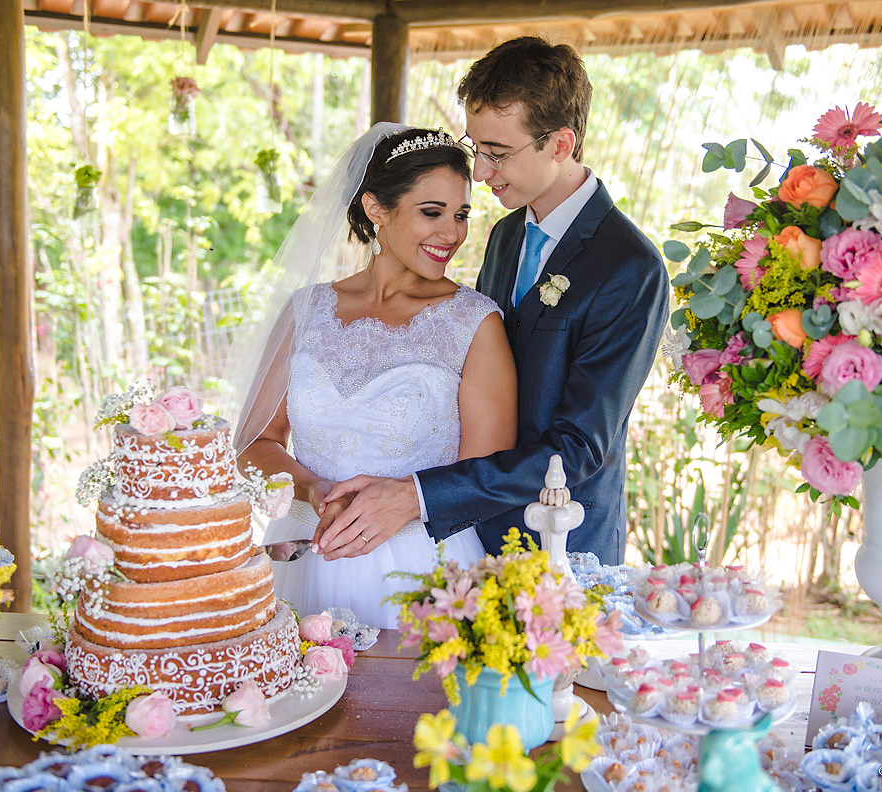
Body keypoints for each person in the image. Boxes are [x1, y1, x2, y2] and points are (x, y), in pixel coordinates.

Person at [314, 37, 671, 566]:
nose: (479, 173)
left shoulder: (630, 267)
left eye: (498, 154)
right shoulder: (506, 235)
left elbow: (578, 447)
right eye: (477, 148)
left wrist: (417, 495)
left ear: (560, 143)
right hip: (470, 537)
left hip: (562, 545)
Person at [231, 125, 517, 628]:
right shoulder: (307, 311)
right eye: (432, 213)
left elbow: (485, 478)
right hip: (308, 558)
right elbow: (254, 443)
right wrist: (312, 488)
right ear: (375, 209)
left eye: (461, 214)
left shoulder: (475, 323)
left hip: (423, 573)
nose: (451, 233)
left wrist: (404, 501)